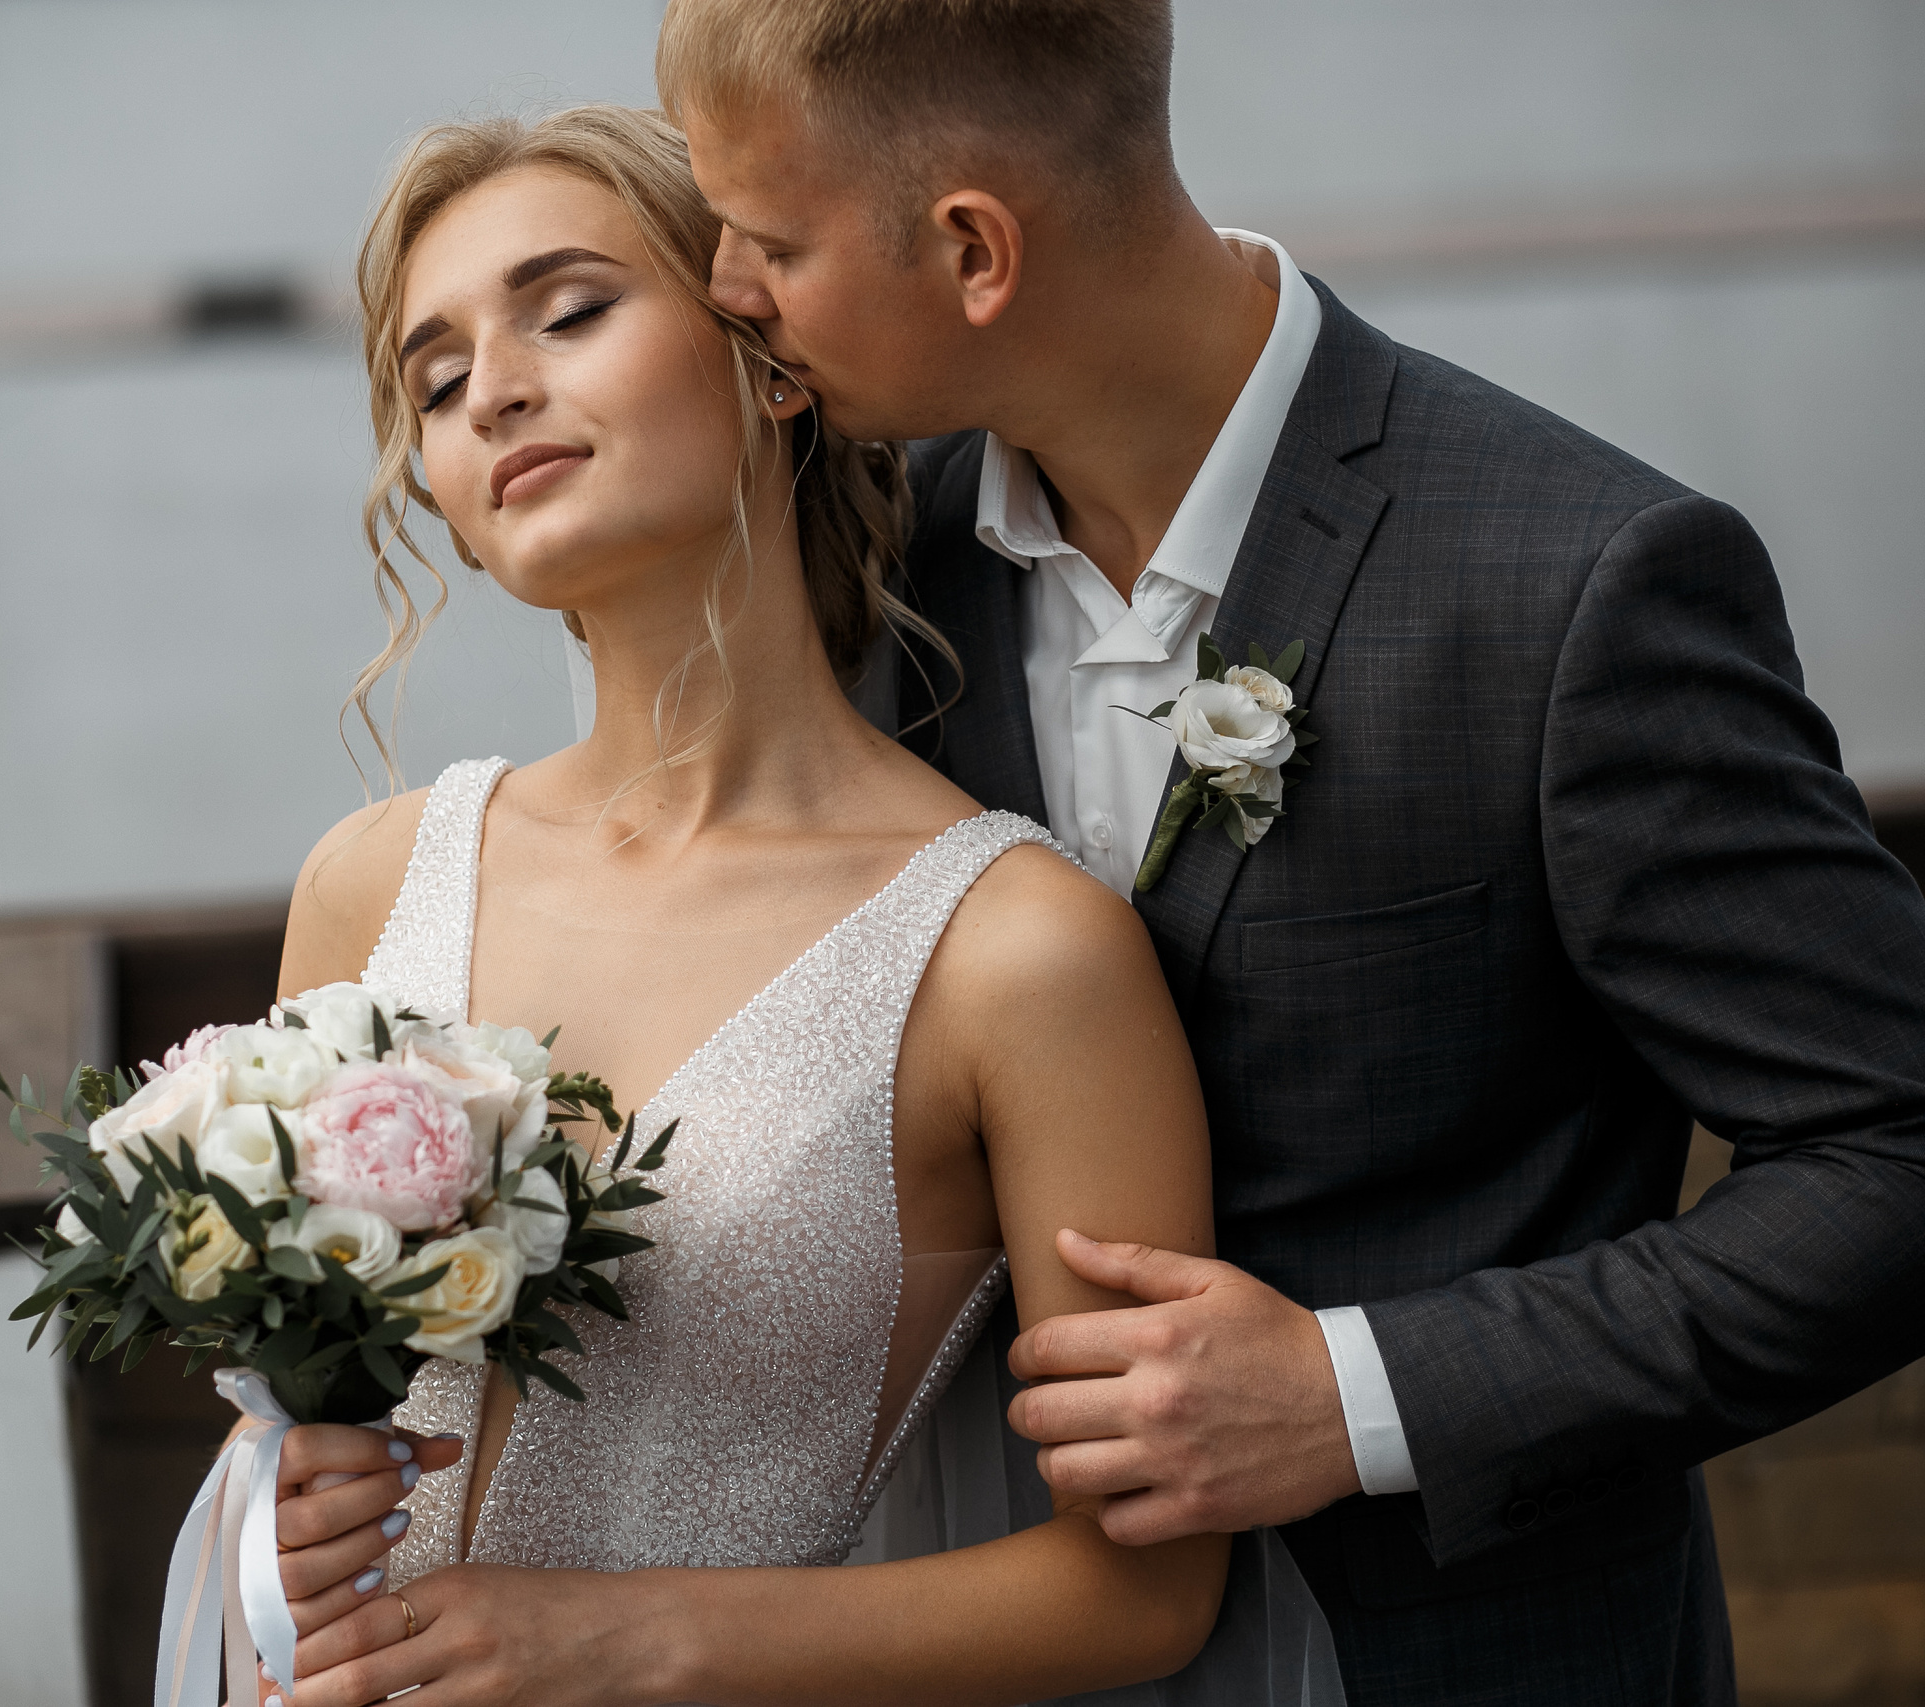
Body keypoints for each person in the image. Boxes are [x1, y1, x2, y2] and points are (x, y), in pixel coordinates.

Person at [651, 0, 1925, 1701]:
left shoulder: (1578, 583)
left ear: (973, 249)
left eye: (769, 237)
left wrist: (1359, 1394)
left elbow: (1896, 1153)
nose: (725, 284)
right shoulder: (868, 573)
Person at [234, 103, 1323, 1707]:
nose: (498, 393)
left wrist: (631, 1639)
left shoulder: (1017, 952)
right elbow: (298, 1417)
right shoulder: (369, 883)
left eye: (573, 309)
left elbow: (1143, 1586)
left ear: (768, 354)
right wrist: (289, 1500)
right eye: (439, 378)